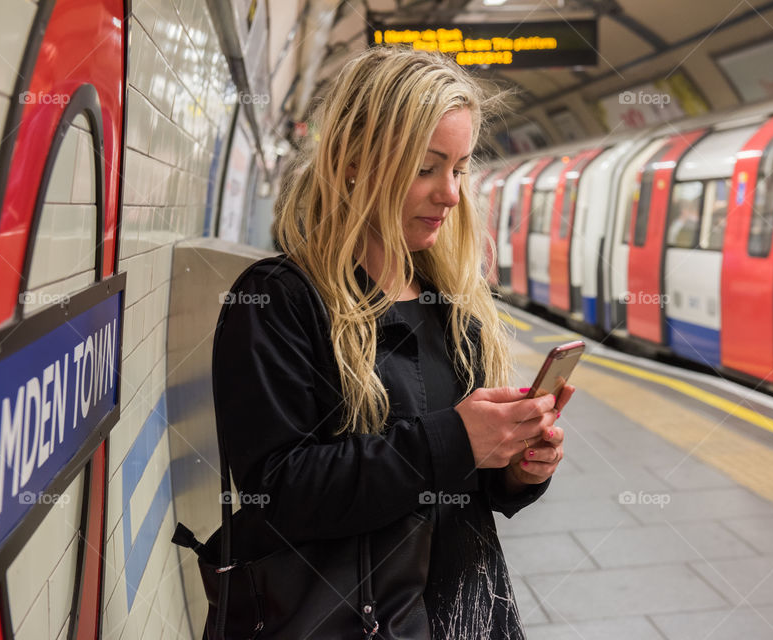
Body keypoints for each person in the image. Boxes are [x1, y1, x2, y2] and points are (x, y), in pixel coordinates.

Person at [214, 46, 575, 638]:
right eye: (427, 167)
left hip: (465, 615)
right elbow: (279, 492)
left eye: (459, 169)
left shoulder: (452, 305)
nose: (451, 195)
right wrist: (454, 437)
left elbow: (463, 484)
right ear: (356, 161)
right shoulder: (279, 301)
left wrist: (516, 468)